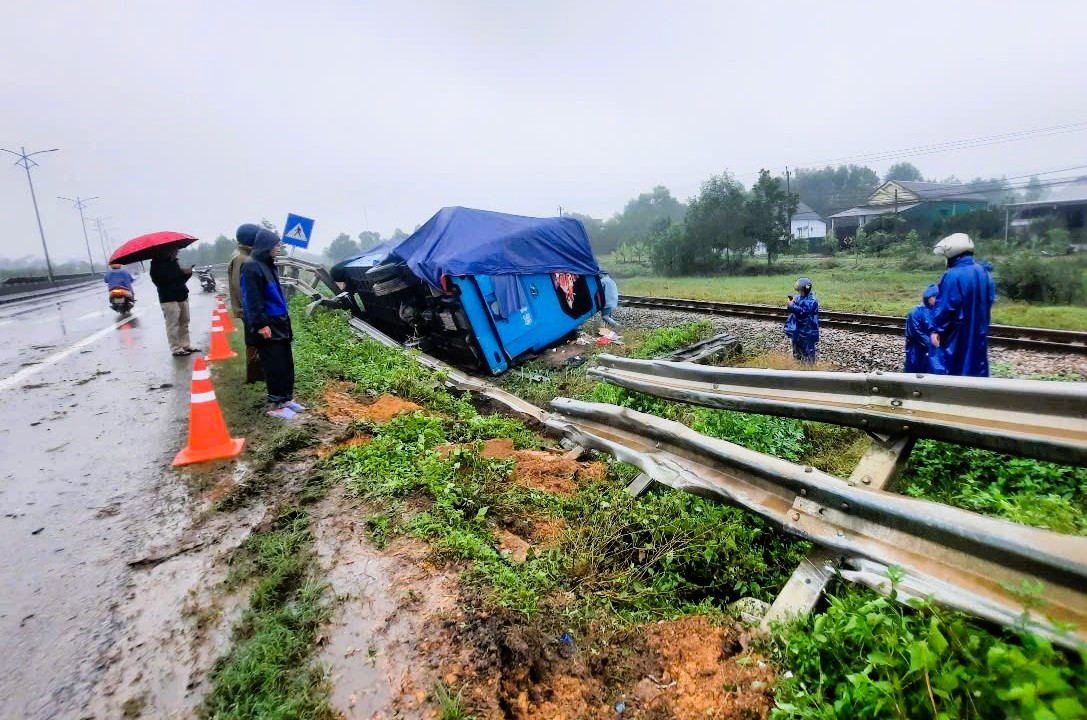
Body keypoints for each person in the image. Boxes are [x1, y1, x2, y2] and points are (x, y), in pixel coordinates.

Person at [240, 227, 304, 419]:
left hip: (281, 321)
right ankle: (276, 405)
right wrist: (261, 324)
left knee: (285, 363)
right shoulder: (251, 266)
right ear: (266, 246)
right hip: (268, 324)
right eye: (276, 245)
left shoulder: (268, 264)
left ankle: (286, 399)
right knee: (274, 364)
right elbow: (252, 299)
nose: (279, 248)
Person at [930, 233, 996, 377]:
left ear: (952, 252)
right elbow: (989, 299)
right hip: (979, 329)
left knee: (955, 366)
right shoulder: (983, 272)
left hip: (957, 332)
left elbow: (945, 307)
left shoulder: (952, 275)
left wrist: (937, 330)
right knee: (976, 365)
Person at [228, 225, 264, 384]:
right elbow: (239, 286)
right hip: (249, 309)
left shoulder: (244, 256)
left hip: (250, 308)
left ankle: (257, 374)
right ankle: (254, 377)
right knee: (253, 341)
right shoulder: (242, 258)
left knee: (256, 341)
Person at [150, 248, 199, 356]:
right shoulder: (156, 264)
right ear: (167, 251)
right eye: (175, 250)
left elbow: (180, 280)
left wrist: (187, 273)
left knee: (184, 321)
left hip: (182, 295)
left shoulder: (174, 262)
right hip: (168, 298)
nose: (177, 252)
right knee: (173, 324)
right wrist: (177, 274)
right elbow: (159, 281)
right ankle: (176, 348)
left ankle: (185, 345)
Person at [904, 284, 941, 373]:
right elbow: (916, 332)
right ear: (928, 297)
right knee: (915, 371)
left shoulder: (937, 311)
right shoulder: (916, 311)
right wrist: (931, 344)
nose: (937, 300)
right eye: (934, 297)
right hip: (916, 348)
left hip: (933, 347)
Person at [784, 277, 819, 364]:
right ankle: (798, 368)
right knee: (797, 353)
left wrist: (792, 305)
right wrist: (790, 302)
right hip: (797, 330)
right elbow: (792, 305)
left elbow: (803, 311)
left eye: (801, 290)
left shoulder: (812, 300)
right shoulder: (798, 297)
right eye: (798, 290)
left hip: (807, 331)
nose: (799, 292)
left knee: (808, 353)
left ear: (806, 290)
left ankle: (808, 371)